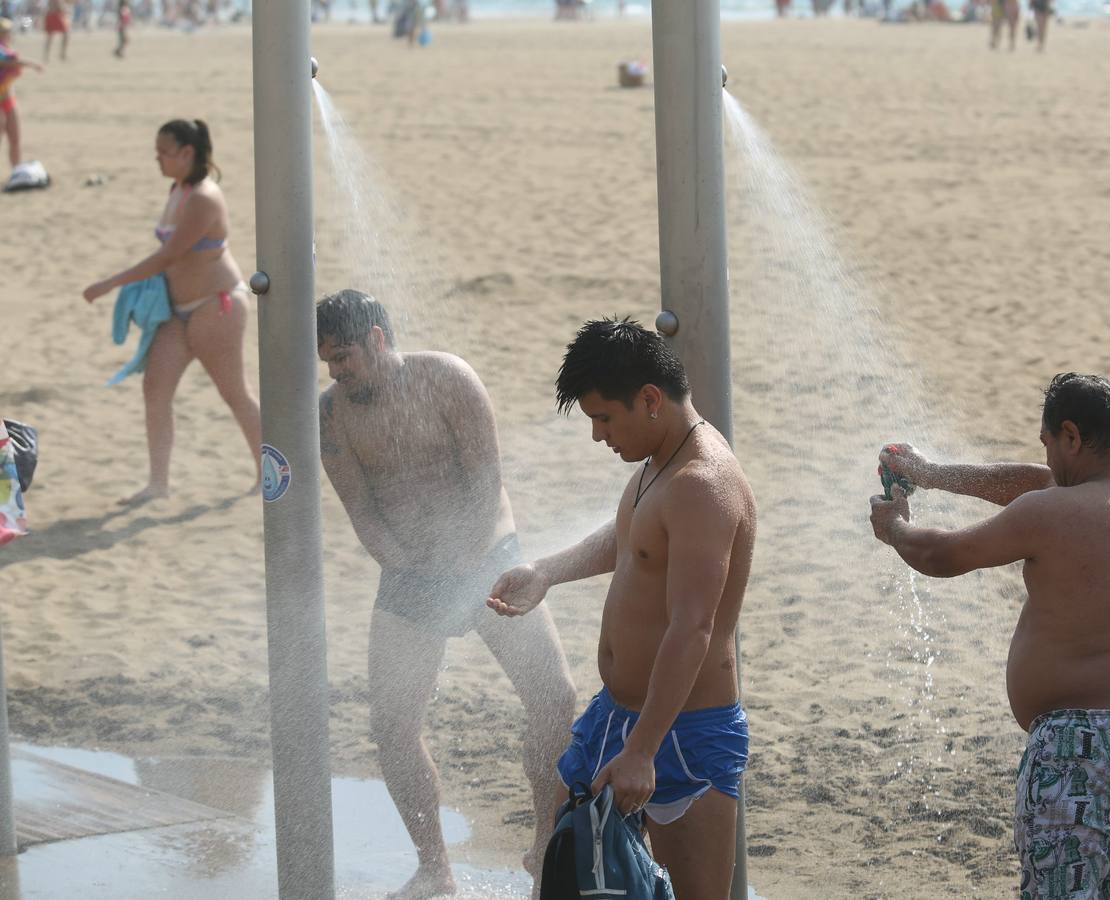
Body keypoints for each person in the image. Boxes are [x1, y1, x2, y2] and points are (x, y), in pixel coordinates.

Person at [869, 373, 1110, 899]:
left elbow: (941, 554)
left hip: (1082, 749)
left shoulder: (1054, 513)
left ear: (1071, 436)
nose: (1048, 459)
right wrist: (931, 473)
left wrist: (895, 528)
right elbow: (1038, 483)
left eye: (1048, 443)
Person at [316, 290, 575, 900]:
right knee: (392, 726)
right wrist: (406, 566)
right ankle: (435, 867)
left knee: (555, 698)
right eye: (327, 361)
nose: (336, 372)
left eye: (344, 356)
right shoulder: (333, 414)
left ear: (377, 339)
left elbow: (486, 480)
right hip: (410, 572)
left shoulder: (449, 380)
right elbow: (361, 509)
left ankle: (543, 847)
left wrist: (465, 563)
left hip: (489, 558)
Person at [488, 317, 757, 900]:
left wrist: (642, 751)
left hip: (682, 734)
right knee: (564, 881)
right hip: (615, 717)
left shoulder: (700, 483)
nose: (597, 435)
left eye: (604, 418)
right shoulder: (660, 460)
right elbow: (630, 538)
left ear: (650, 399)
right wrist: (547, 572)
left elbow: (694, 627)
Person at [82, 119, 261, 505]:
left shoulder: (204, 198)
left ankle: (270, 475)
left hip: (217, 305)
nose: (157, 159)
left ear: (187, 152)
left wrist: (110, 283)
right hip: (178, 311)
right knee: (155, 389)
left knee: (234, 393)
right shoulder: (178, 189)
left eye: (164, 152)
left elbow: (169, 254)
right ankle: (158, 484)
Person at [0, 18, 42, 175]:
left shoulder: (7, 49)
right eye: (5, 32)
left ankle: (17, 172)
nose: (8, 35)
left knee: (15, 139)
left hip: (9, 99)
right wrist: (32, 64)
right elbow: (9, 62)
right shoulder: (3, 52)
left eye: (8, 32)